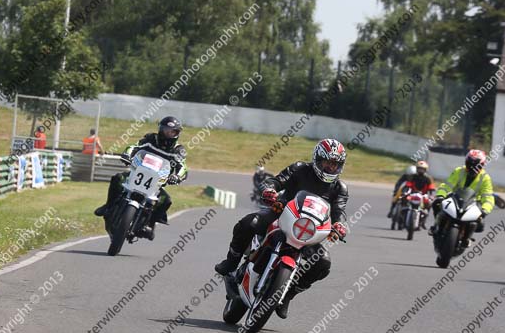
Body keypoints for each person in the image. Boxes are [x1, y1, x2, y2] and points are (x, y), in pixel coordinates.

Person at [214, 139, 349, 319]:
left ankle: (288, 295)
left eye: (335, 165)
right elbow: (277, 181)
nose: (331, 168)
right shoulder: (300, 168)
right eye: (327, 163)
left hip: (308, 229)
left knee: (323, 262)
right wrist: (270, 189)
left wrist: (339, 225)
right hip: (282, 213)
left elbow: (340, 210)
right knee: (249, 223)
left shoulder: (340, 188)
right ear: (317, 159)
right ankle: (232, 261)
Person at [93, 116, 187, 240]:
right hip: (136, 174)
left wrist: (176, 176)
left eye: (172, 131)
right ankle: (108, 206)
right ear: (160, 129)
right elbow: (134, 147)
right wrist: (127, 155)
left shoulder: (178, 150)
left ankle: (150, 224)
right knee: (117, 178)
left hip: (156, 184)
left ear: (177, 133)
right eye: (166, 130)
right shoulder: (151, 138)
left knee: (166, 200)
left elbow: (183, 167)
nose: (168, 134)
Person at [429, 149, 494, 235]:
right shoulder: (459, 171)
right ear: (466, 162)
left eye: (476, 165)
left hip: (473, 203)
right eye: (470, 164)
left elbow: (488, 196)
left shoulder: (485, 178)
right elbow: (447, 185)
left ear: (482, 165)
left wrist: (485, 209)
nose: (472, 167)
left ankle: (467, 238)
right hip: (455, 198)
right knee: (436, 203)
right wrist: (441, 195)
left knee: (480, 224)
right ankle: (436, 226)